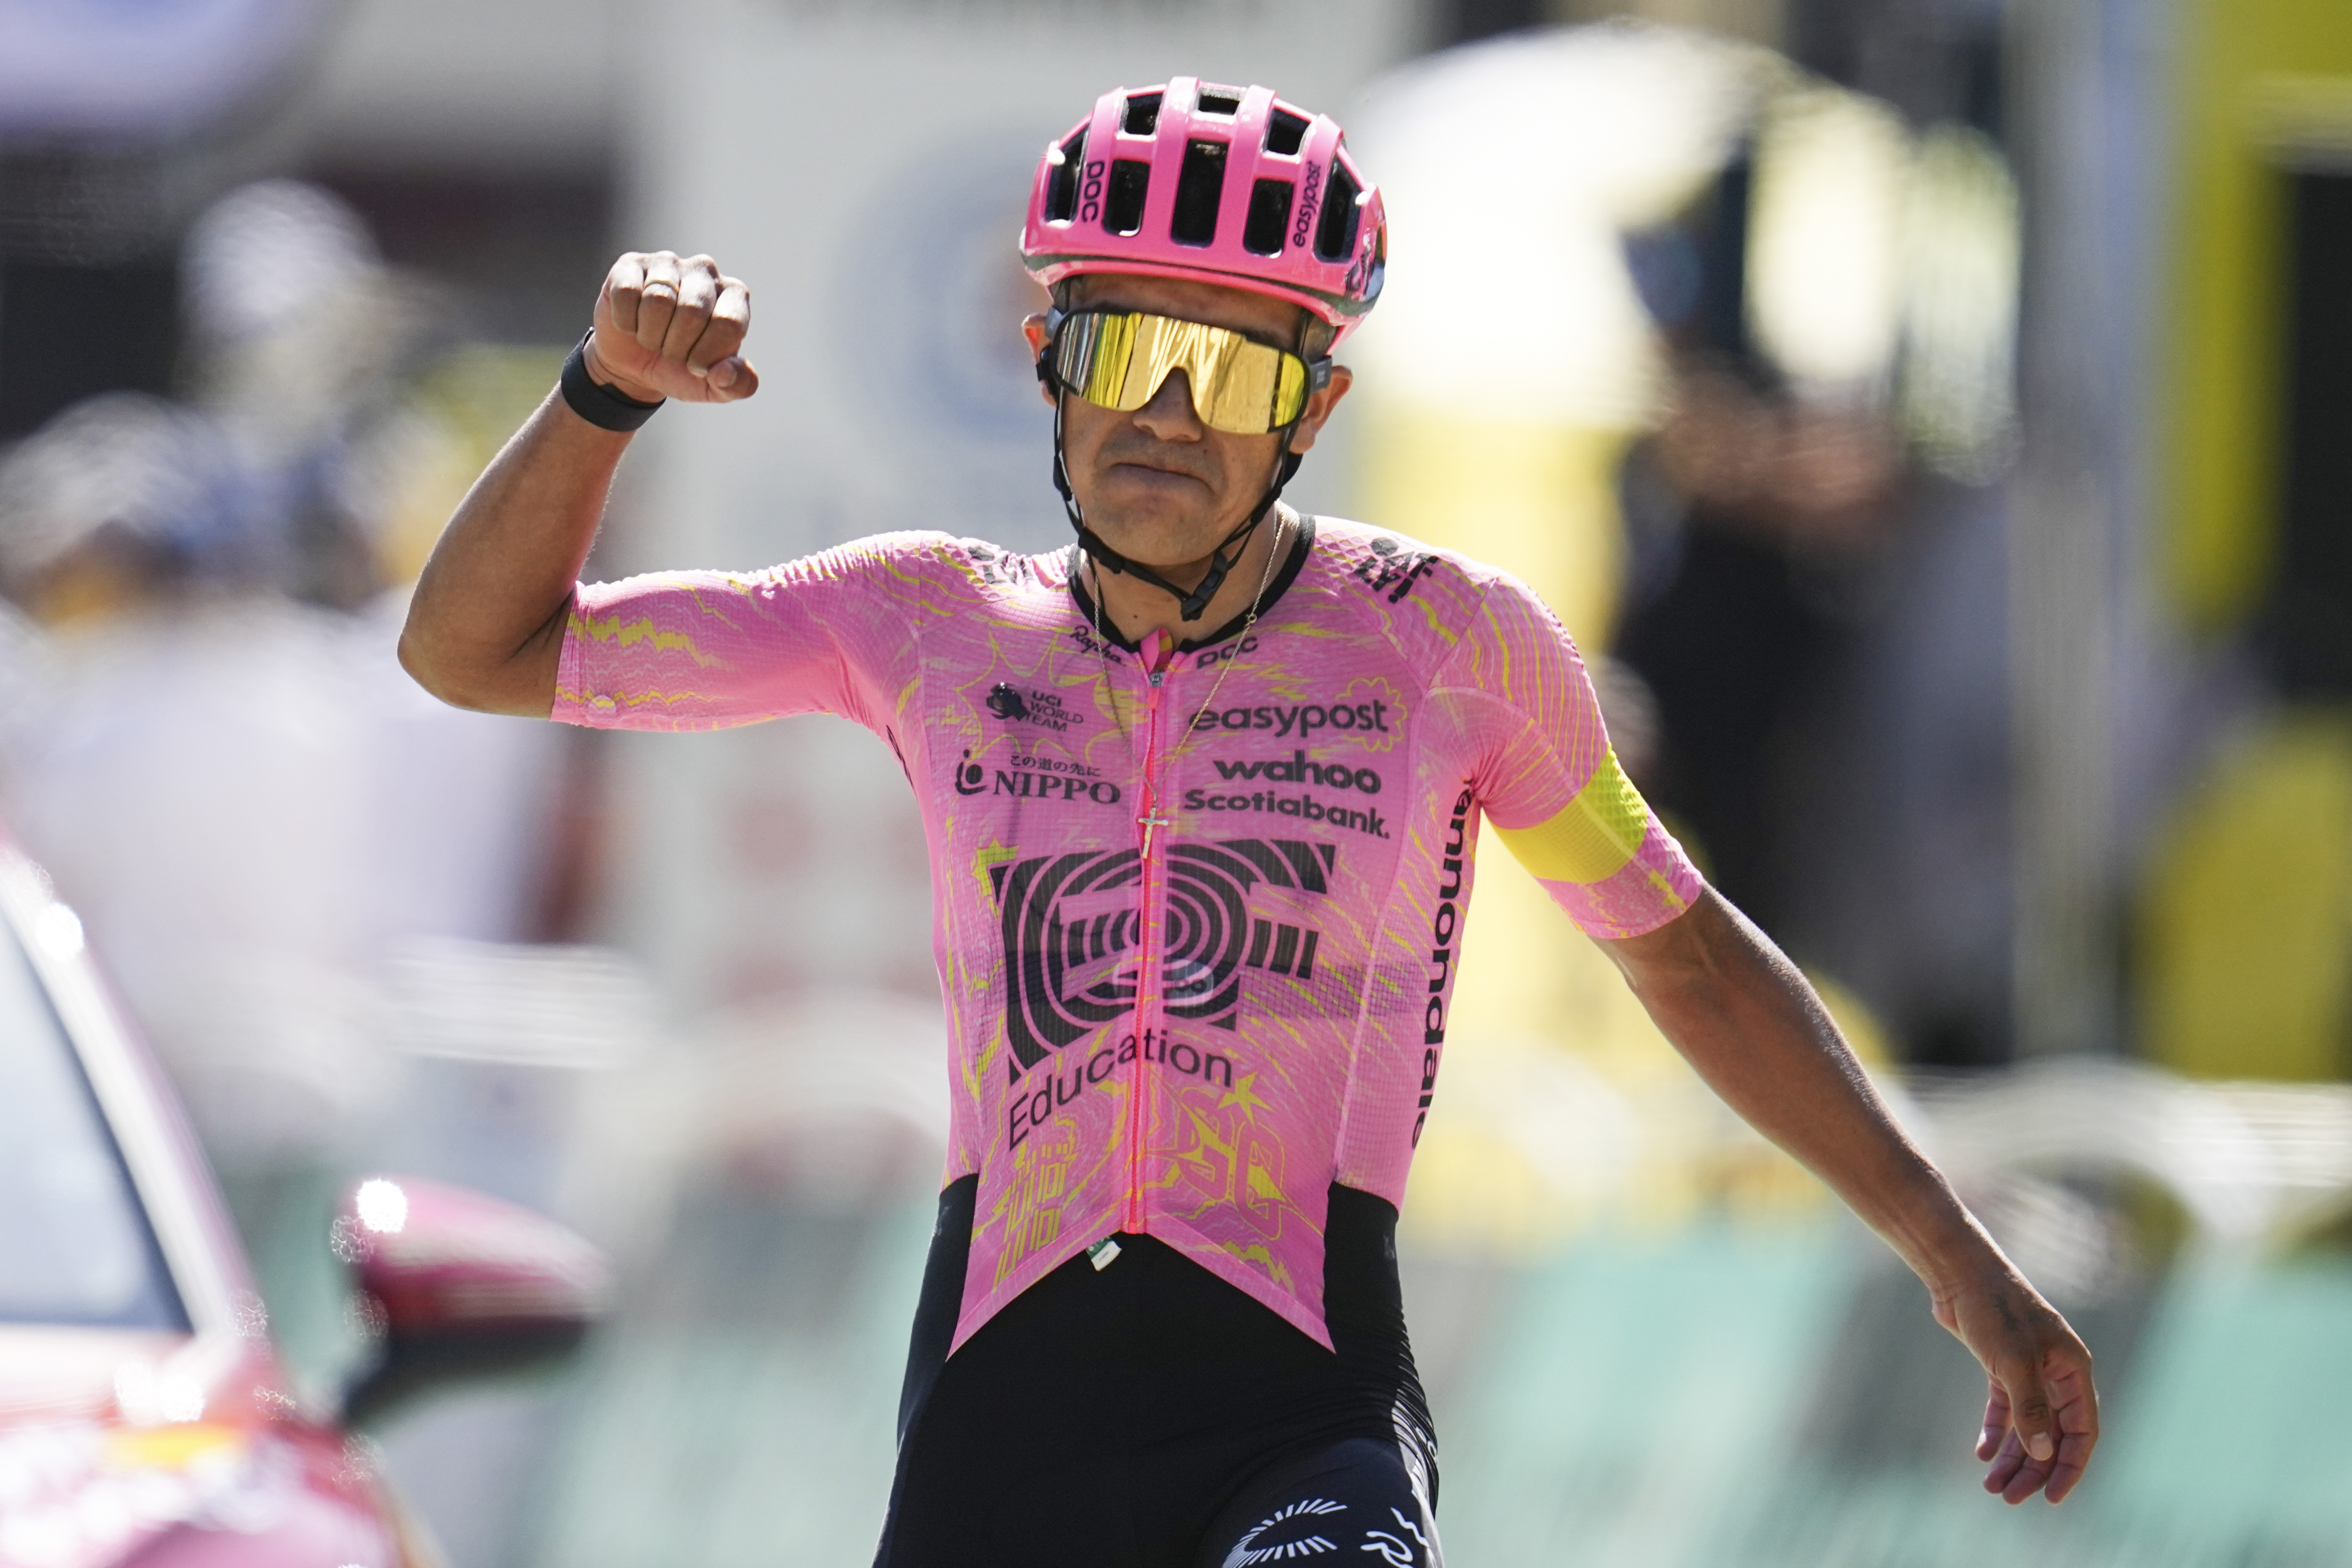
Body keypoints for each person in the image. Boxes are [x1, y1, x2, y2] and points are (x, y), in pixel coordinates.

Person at [399, 76, 2096, 1568]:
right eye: (1128, 346)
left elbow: (1691, 966)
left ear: (1315, 410)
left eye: (1230, 364)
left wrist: (1955, 1256)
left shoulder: (1452, 646)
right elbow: (470, 651)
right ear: (1048, 367)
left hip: (1302, 1419)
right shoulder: (920, 622)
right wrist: (602, 394)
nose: (1169, 409)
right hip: (1004, 1417)